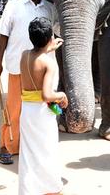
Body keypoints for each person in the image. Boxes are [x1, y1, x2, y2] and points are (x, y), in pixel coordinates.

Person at [0, 0, 57, 165]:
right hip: (17, 67)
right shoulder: (13, 6)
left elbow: (56, 37)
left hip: (43, 70)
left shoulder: (50, 9)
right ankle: (7, 145)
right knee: (14, 108)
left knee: (41, 111)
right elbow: (3, 35)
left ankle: (34, 148)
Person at [18, 17, 67, 195]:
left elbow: (36, 58)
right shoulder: (49, 63)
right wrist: (61, 95)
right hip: (42, 113)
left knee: (29, 153)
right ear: (49, 39)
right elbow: (47, 94)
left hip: (27, 111)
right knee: (47, 151)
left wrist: (49, 48)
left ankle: (28, 190)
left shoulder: (24, 55)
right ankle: (52, 189)